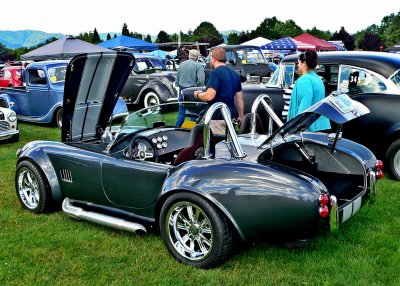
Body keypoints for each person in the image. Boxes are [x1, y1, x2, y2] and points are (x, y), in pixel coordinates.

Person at [193, 47, 244, 135]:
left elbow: (209, 96)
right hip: (230, 116)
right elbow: (240, 99)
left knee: (217, 146)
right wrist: (241, 116)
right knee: (228, 144)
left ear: (213, 59)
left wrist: (198, 94)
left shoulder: (215, 73)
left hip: (217, 117)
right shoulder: (235, 74)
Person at [287, 49, 330, 132]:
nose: (298, 66)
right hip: (320, 125)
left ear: (304, 63)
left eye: (298, 63)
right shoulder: (317, 78)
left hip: (308, 130)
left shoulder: (304, 80)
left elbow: (304, 108)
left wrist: (297, 129)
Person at [175, 49, 205, 127]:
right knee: (193, 113)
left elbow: (177, 79)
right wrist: (199, 88)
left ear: (189, 56)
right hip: (192, 92)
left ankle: (177, 128)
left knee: (181, 112)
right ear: (196, 57)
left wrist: (179, 85)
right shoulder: (198, 66)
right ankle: (192, 130)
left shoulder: (181, 64)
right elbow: (201, 80)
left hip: (182, 91)